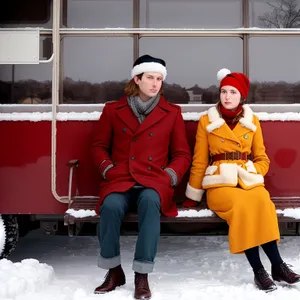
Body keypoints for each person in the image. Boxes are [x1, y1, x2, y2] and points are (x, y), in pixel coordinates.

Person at [183, 68, 300, 292]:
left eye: (233, 92)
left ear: (241, 96)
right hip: (220, 183)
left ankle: (277, 266)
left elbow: (262, 158)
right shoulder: (207, 120)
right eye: (224, 91)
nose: (227, 96)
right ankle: (259, 270)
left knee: (263, 202)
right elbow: (199, 160)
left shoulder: (251, 120)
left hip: (247, 180)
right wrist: (193, 194)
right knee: (243, 206)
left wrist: (251, 171)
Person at [92, 54, 191, 299]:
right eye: (150, 78)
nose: (155, 83)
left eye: (159, 79)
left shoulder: (172, 112)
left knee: (149, 203)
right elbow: (98, 146)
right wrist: (108, 169)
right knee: (111, 206)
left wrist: (169, 176)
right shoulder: (113, 110)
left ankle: (142, 275)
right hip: (121, 178)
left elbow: (182, 154)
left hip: (154, 180)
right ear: (136, 79)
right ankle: (114, 271)